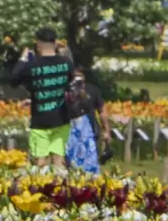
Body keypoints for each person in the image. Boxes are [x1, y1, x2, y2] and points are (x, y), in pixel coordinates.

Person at [11, 28, 76, 169]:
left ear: (38, 44)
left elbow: (14, 79)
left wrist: (23, 58)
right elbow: (69, 82)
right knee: (59, 160)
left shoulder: (31, 65)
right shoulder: (66, 63)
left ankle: (42, 182)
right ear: (55, 43)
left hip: (40, 120)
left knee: (40, 162)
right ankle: (61, 182)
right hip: (62, 119)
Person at [64, 68, 107, 175]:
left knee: (90, 157)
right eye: (75, 76)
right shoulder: (67, 91)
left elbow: (102, 110)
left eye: (80, 76)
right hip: (71, 129)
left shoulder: (92, 90)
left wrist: (106, 129)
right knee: (71, 158)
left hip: (89, 130)